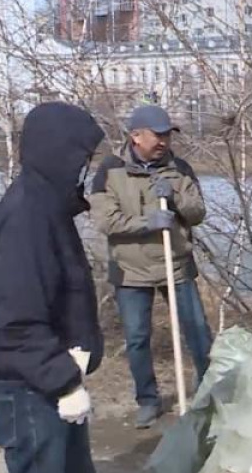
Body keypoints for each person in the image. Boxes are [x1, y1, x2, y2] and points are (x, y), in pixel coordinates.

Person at [0, 102, 159, 473]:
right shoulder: (27, 217)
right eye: (82, 156)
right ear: (57, 153)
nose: (86, 167)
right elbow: (13, 322)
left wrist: (70, 373)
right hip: (31, 388)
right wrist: (61, 380)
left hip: (53, 383)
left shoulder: (49, 208)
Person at [89, 105, 211, 429]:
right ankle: (147, 399)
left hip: (176, 264)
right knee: (137, 337)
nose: (163, 141)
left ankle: (207, 390)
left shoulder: (179, 169)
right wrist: (147, 222)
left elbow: (198, 211)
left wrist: (174, 199)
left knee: (197, 331)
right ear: (135, 136)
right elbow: (104, 220)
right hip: (131, 271)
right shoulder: (110, 171)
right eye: (158, 135)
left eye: (167, 135)